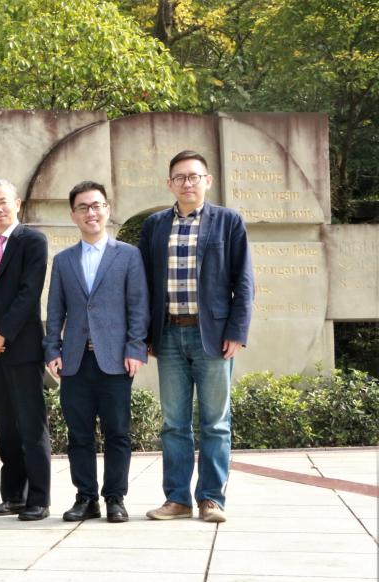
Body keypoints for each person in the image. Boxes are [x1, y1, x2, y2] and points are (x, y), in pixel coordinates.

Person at [139, 150, 254, 523]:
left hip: (214, 338)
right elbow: (143, 286)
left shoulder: (228, 222)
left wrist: (236, 331)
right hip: (169, 335)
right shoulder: (154, 225)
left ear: (208, 180)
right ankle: (177, 499)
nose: (187, 183)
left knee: (216, 423)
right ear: (169, 183)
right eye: (180, 177)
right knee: (173, 423)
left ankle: (211, 499)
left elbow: (244, 281)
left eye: (194, 176)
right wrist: (145, 334)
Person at [44, 181, 149, 523]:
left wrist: (135, 348)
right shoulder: (63, 260)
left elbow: (138, 306)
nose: (91, 212)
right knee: (79, 434)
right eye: (83, 207)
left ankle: (115, 498)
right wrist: (52, 348)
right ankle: (86, 498)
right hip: (75, 360)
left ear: (107, 209)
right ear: (73, 215)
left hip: (116, 360)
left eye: (96, 205)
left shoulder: (128, 255)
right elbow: (55, 310)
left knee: (118, 432)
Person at [0, 179, 53, 522]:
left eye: (3, 201)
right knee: (6, 427)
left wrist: (2, 333)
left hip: (21, 347)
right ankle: (13, 496)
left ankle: (39, 498)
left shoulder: (32, 241)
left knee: (31, 425)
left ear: (17, 203)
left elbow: (29, 293)